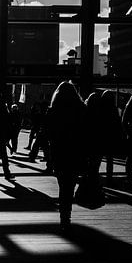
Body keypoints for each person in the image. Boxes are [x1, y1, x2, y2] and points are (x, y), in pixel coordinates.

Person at [45, 81, 87, 229]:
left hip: (59, 152)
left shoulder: (53, 110)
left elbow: (48, 134)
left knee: (63, 185)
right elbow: (86, 132)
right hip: (75, 152)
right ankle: (66, 213)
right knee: (70, 184)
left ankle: (65, 216)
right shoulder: (81, 109)